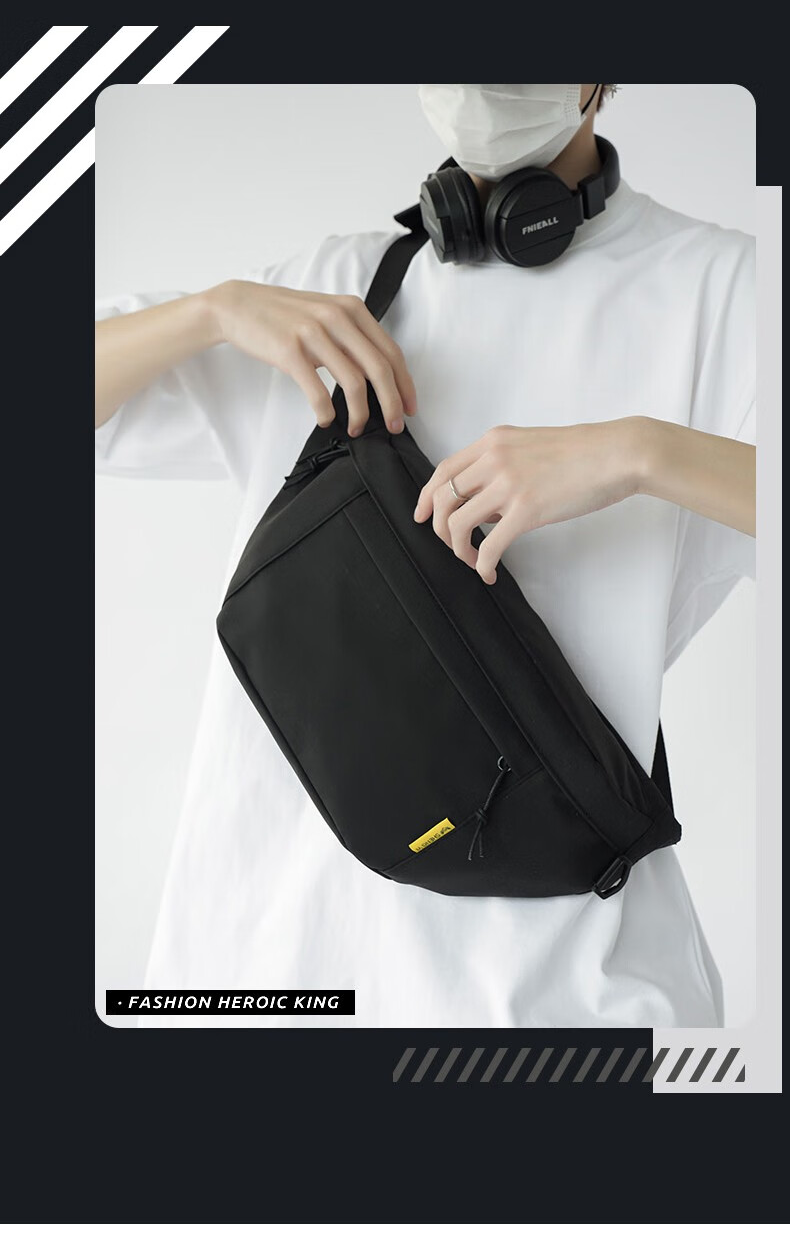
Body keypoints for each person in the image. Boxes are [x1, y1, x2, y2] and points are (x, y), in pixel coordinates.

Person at [95, 84, 755, 1028]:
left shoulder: (725, 290)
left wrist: (640, 453)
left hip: (555, 1006)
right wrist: (209, 312)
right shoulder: (335, 289)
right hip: (256, 977)